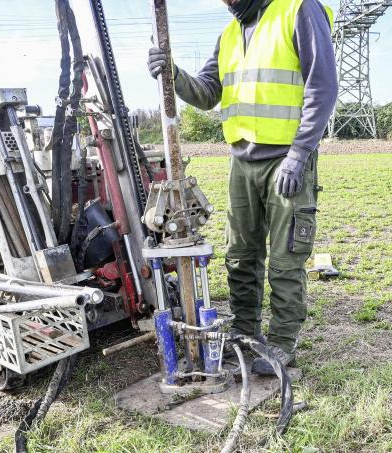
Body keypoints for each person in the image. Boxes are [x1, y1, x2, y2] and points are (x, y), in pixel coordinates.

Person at [148, 0, 337, 375]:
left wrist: (299, 154)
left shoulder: (298, 10)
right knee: (241, 257)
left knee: (286, 258)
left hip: (287, 159)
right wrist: (173, 74)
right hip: (242, 162)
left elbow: (323, 86)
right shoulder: (230, 35)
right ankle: (244, 332)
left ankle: (282, 343)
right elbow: (206, 93)